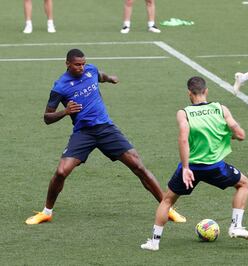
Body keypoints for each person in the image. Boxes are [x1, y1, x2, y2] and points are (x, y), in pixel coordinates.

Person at [25, 49, 186, 225]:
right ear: (67, 64)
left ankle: (167, 209)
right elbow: (46, 118)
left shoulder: (90, 70)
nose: (82, 67)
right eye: (77, 64)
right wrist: (65, 111)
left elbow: (99, 75)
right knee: (61, 172)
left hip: (106, 129)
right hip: (83, 133)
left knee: (138, 166)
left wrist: (109, 78)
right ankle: (46, 212)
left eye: (83, 63)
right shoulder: (60, 86)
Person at [141, 76, 248, 251]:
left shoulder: (184, 113)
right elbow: (240, 135)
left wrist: (186, 168)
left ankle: (154, 242)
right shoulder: (221, 109)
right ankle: (236, 226)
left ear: (189, 93)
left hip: (192, 169)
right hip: (215, 167)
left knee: (167, 201)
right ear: (206, 91)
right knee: (244, 184)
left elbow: (183, 140)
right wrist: (230, 133)